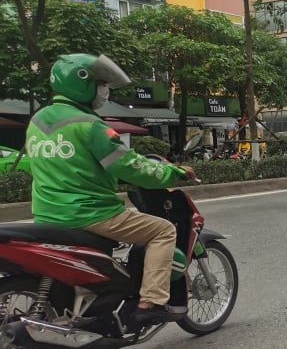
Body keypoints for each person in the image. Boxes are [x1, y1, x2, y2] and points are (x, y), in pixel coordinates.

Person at [26, 54, 195, 324]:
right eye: (101, 83)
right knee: (164, 230)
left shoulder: (37, 121)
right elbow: (131, 168)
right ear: (82, 84)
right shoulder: (90, 125)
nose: (105, 90)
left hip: (47, 214)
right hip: (91, 213)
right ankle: (150, 302)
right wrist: (172, 173)